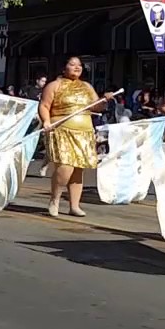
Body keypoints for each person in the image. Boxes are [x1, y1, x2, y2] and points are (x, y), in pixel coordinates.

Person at [39, 56, 114, 217]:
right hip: (62, 129)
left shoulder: (86, 86)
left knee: (78, 169)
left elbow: (97, 106)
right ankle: (55, 199)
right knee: (65, 167)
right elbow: (44, 105)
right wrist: (46, 121)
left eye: (79, 65)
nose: (77, 67)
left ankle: (74, 205)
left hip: (84, 132)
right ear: (63, 67)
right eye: (72, 64)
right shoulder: (54, 85)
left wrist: (104, 100)